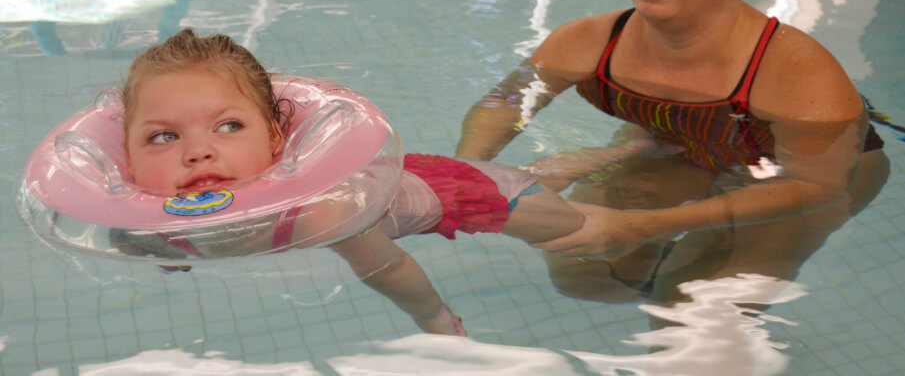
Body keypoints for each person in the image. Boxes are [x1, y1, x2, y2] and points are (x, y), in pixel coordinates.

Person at [455, 0, 890, 305]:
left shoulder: (798, 74)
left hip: (800, 177)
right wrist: (470, 172)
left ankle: (711, 289)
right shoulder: (589, 43)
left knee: (687, 306)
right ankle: (690, 260)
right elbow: (506, 103)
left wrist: (641, 226)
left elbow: (816, 185)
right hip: (684, 146)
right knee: (586, 274)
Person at [118, 29, 657, 336]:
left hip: (458, 195)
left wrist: (435, 317)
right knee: (533, 180)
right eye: (163, 137)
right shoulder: (135, 224)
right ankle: (603, 158)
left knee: (569, 230)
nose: (197, 151)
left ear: (276, 140)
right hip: (402, 183)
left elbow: (391, 266)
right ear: (127, 156)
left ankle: (635, 151)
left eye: (229, 126)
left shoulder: (320, 212)